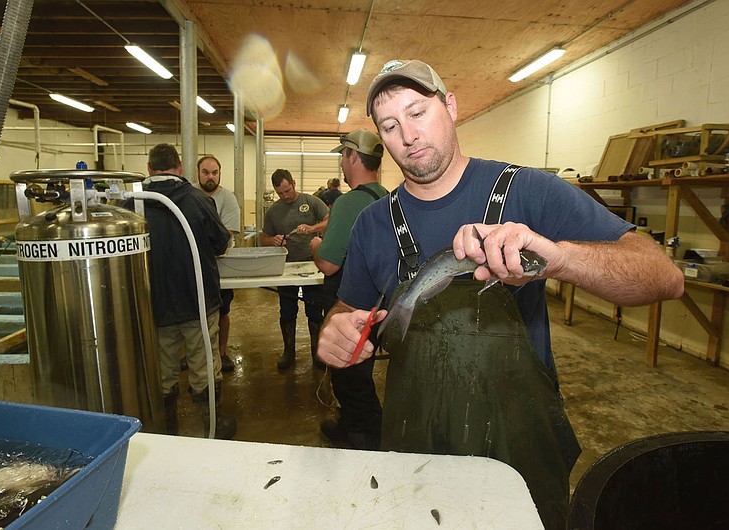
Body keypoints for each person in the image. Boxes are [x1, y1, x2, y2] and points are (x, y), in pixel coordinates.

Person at [316, 60, 684, 529]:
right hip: (416, 444)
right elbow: (350, 311)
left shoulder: (528, 191)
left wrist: (562, 259)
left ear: (450, 107)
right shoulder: (372, 224)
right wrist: (335, 332)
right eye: (390, 125)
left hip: (518, 447)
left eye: (418, 111)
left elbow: (665, 276)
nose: (407, 135)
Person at [124, 143, 237, 440]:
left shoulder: (130, 205)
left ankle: (166, 431)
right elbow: (221, 244)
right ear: (181, 167)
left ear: (149, 168)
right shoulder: (199, 201)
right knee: (204, 366)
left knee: (162, 371)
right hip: (197, 301)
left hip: (154, 304)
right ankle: (212, 428)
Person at [310, 129, 387, 450]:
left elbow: (328, 264)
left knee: (349, 378)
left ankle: (362, 438)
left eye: (343, 155)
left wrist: (315, 245)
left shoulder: (348, 201)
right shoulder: (388, 197)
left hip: (351, 306)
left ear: (353, 157)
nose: (342, 162)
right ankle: (356, 425)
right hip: (381, 303)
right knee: (361, 373)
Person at [261, 169, 329, 371]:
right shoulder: (273, 211)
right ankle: (288, 351)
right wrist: (271, 240)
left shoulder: (312, 201)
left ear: (293, 183)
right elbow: (264, 237)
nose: (285, 196)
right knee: (287, 311)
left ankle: (317, 351)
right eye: (280, 193)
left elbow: (330, 220)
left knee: (315, 310)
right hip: (286, 267)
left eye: (287, 191)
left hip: (312, 264)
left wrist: (312, 228)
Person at [197, 155, 241, 373]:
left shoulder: (228, 199)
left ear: (220, 173)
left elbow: (226, 234)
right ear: (198, 173)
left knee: (223, 311)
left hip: (221, 265)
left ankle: (222, 352)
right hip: (195, 265)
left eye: (214, 172)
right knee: (196, 313)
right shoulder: (191, 197)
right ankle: (197, 354)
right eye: (206, 172)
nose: (210, 177)